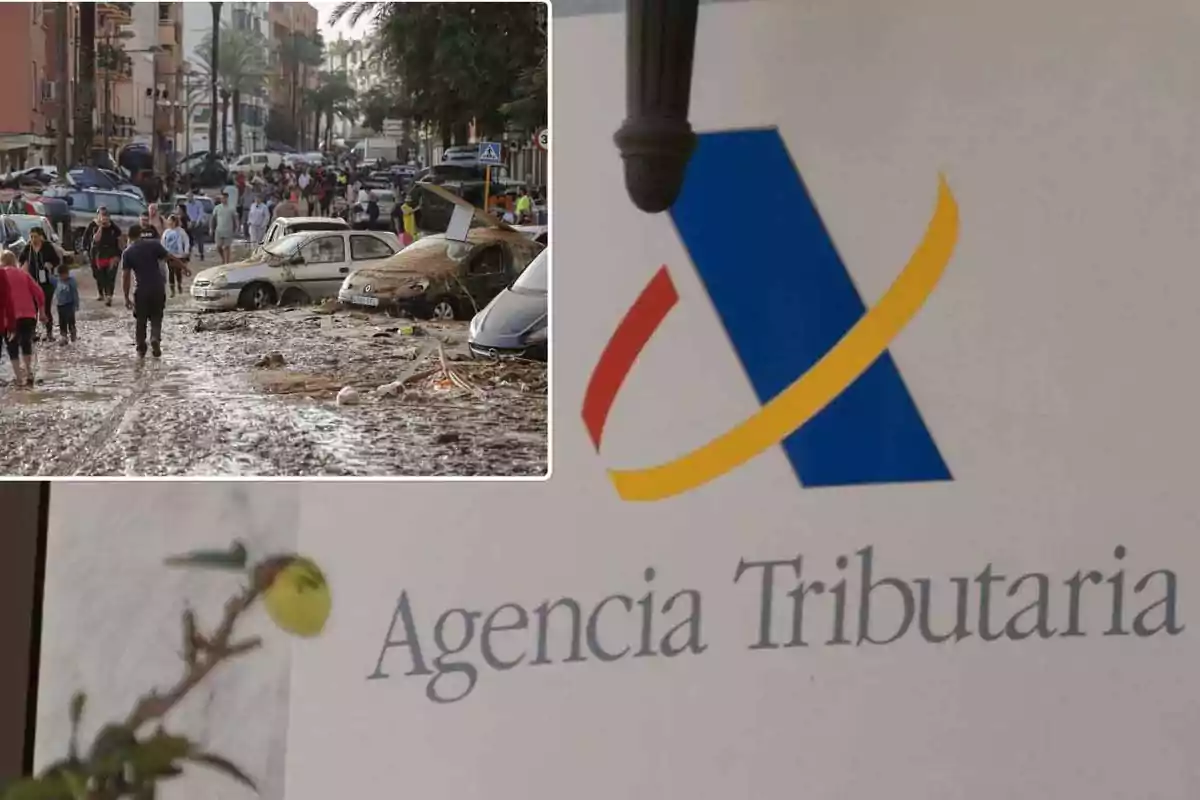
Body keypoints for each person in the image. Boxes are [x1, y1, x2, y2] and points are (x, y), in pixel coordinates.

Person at [122, 227, 188, 359]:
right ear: (141, 234)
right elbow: (170, 257)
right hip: (158, 287)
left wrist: (126, 297)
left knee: (141, 320)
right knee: (157, 317)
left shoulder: (128, 252)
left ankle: (141, 348)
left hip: (141, 290)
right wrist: (184, 267)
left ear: (128, 238)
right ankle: (155, 338)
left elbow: (125, 276)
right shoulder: (153, 244)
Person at [0, 250, 45, 386]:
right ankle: (29, 372)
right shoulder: (23, 274)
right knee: (26, 343)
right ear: (14, 261)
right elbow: (39, 293)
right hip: (28, 315)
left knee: (11, 346)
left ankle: (19, 378)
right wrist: (42, 312)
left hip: (8, 318)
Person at [18, 226, 61, 340]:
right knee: (33, 309)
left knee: (46, 308)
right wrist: (24, 265)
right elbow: (20, 260)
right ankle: (33, 332)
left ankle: (49, 332)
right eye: (31, 237)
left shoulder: (47, 247)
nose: (33, 239)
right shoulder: (28, 248)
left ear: (41, 237)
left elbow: (57, 260)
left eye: (35, 237)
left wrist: (50, 264)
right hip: (32, 282)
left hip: (46, 282)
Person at [83, 207, 123, 306]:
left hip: (112, 254)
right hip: (98, 254)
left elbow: (120, 241)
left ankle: (109, 296)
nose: (104, 219)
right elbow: (94, 239)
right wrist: (101, 227)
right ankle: (102, 293)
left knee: (111, 275)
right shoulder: (94, 226)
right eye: (102, 216)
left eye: (106, 216)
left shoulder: (114, 227)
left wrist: (119, 254)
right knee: (99, 275)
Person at [160, 215, 190, 297]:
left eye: (171, 221)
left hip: (179, 255)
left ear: (175, 222)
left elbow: (186, 241)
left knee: (178, 272)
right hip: (169, 255)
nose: (169, 223)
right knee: (170, 272)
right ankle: (172, 290)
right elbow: (163, 242)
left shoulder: (181, 231)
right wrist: (162, 252)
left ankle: (179, 285)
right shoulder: (166, 232)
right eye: (168, 221)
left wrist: (186, 251)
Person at [52, 262, 79, 345]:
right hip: (60, 305)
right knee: (62, 321)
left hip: (69, 304)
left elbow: (75, 293)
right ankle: (63, 336)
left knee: (71, 320)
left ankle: (73, 333)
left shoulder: (71, 281)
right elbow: (49, 278)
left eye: (64, 275)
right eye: (61, 275)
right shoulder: (57, 280)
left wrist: (76, 304)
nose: (62, 277)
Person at [210, 192, 237, 265]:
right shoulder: (217, 207)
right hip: (219, 230)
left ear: (227, 198)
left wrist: (236, 228)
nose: (223, 199)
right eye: (222, 198)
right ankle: (223, 258)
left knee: (227, 247)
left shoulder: (231, 208)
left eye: (224, 198)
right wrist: (211, 228)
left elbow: (235, 219)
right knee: (218, 246)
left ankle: (227, 262)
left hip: (228, 230)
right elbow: (213, 218)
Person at [185, 192, 207, 261]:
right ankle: (188, 254)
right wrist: (190, 221)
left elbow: (201, 213)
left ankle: (201, 254)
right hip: (190, 223)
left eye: (190, 197)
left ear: (192, 196)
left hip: (198, 222)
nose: (188, 198)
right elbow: (186, 214)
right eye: (187, 197)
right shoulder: (186, 204)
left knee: (200, 239)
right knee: (189, 240)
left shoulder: (198, 203)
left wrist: (197, 221)